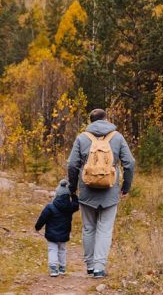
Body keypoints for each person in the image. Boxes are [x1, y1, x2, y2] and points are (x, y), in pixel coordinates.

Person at [66, 108, 135, 278]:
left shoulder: (82, 138)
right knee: (104, 229)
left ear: (91, 121)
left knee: (88, 228)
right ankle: (99, 268)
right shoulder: (117, 137)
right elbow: (130, 163)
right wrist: (125, 187)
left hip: (86, 191)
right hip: (110, 192)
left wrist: (73, 188)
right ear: (106, 119)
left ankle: (89, 266)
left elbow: (72, 165)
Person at [34, 179, 79, 277]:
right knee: (62, 250)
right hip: (64, 234)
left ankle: (53, 269)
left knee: (52, 250)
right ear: (68, 196)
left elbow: (42, 218)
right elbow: (77, 205)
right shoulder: (70, 206)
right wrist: (73, 194)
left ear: (57, 194)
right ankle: (62, 268)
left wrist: (37, 227)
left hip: (51, 234)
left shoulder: (50, 207)